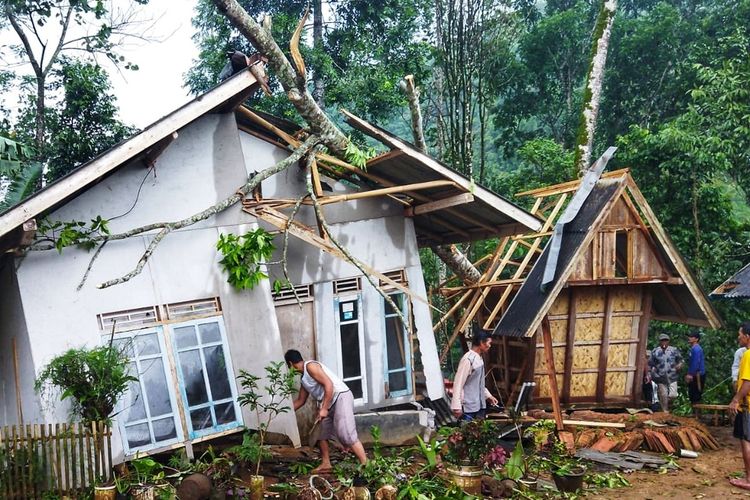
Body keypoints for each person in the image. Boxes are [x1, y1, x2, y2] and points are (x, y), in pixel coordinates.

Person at [284, 349, 367, 472]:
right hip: (328, 402)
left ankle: (366, 465)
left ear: (290, 364)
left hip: (340, 396)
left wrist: (324, 409)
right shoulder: (304, 379)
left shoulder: (310, 366)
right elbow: (300, 401)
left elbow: (329, 385)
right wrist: (283, 413)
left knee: (347, 434)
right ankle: (326, 463)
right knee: (322, 434)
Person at [451, 328, 499, 420]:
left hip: (479, 405)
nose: (490, 346)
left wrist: (488, 396)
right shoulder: (468, 359)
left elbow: (477, 383)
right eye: (489, 343)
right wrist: (456, 406)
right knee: (466, 432)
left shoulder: (479, 359)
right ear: (481, 342)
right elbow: (458, 383)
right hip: (468, 407)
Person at [728, 322, 750, 490]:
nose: (738, 337)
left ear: (747, 337)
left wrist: (736, 399)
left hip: (747, 406)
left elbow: (747, 382)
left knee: (746, 441)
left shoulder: (748, 355)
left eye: (740, 334)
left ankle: (749, 479)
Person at [649, 333, 683, 412]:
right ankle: (665, 412)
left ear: (668, 341)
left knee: (673, 395)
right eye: (662, 340)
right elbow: (651, 363)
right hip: (660, 377)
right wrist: (653, 373)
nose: (664, 342)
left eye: (666, 340)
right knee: (663, 395)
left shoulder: (674, 350)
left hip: (672, 376)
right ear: (659, 342)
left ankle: (669, 404)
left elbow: (680, 360)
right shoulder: (655, 351)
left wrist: (680, 365)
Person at [685, 330, 706, 405]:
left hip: (697, 375)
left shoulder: (696, 349)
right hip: (695, 374)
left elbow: (695, 363)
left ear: (696, 339)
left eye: (691, 337)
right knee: (693, 394)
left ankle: (697, 414)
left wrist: (690, 374)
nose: (689, 338)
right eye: (689, 336)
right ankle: (695, 414)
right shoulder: (693, 348)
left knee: (695, 395)